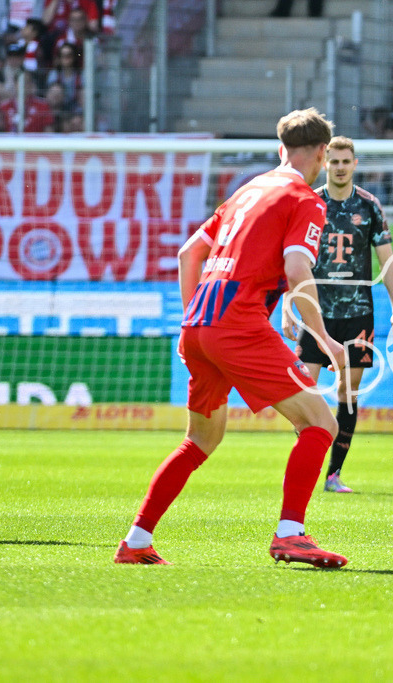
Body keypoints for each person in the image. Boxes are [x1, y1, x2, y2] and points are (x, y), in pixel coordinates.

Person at [115, 109, 348, 569]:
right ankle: (291, 535)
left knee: (199, 440)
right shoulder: (305, 199)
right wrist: (323, 337)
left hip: (199, 323)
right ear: (322, 153)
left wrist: (193, 320)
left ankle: (136, 540)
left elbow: (189, 254)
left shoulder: (246, 192)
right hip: (238, 325)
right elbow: (297, 269)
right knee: (321, 424)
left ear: (281, 150)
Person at [292, 136, 393, 492]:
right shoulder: (311, 202)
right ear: (325, 162)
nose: (340, 167)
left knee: (348, 393)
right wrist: (286, 306)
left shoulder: (369, 206)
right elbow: (293, 259)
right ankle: (308, 457)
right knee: (301, 389)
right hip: (316, 312)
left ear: (355, 164)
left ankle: (333, 474)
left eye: (346, 161)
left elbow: (388, 261)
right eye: (334, 161)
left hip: (358, 313)